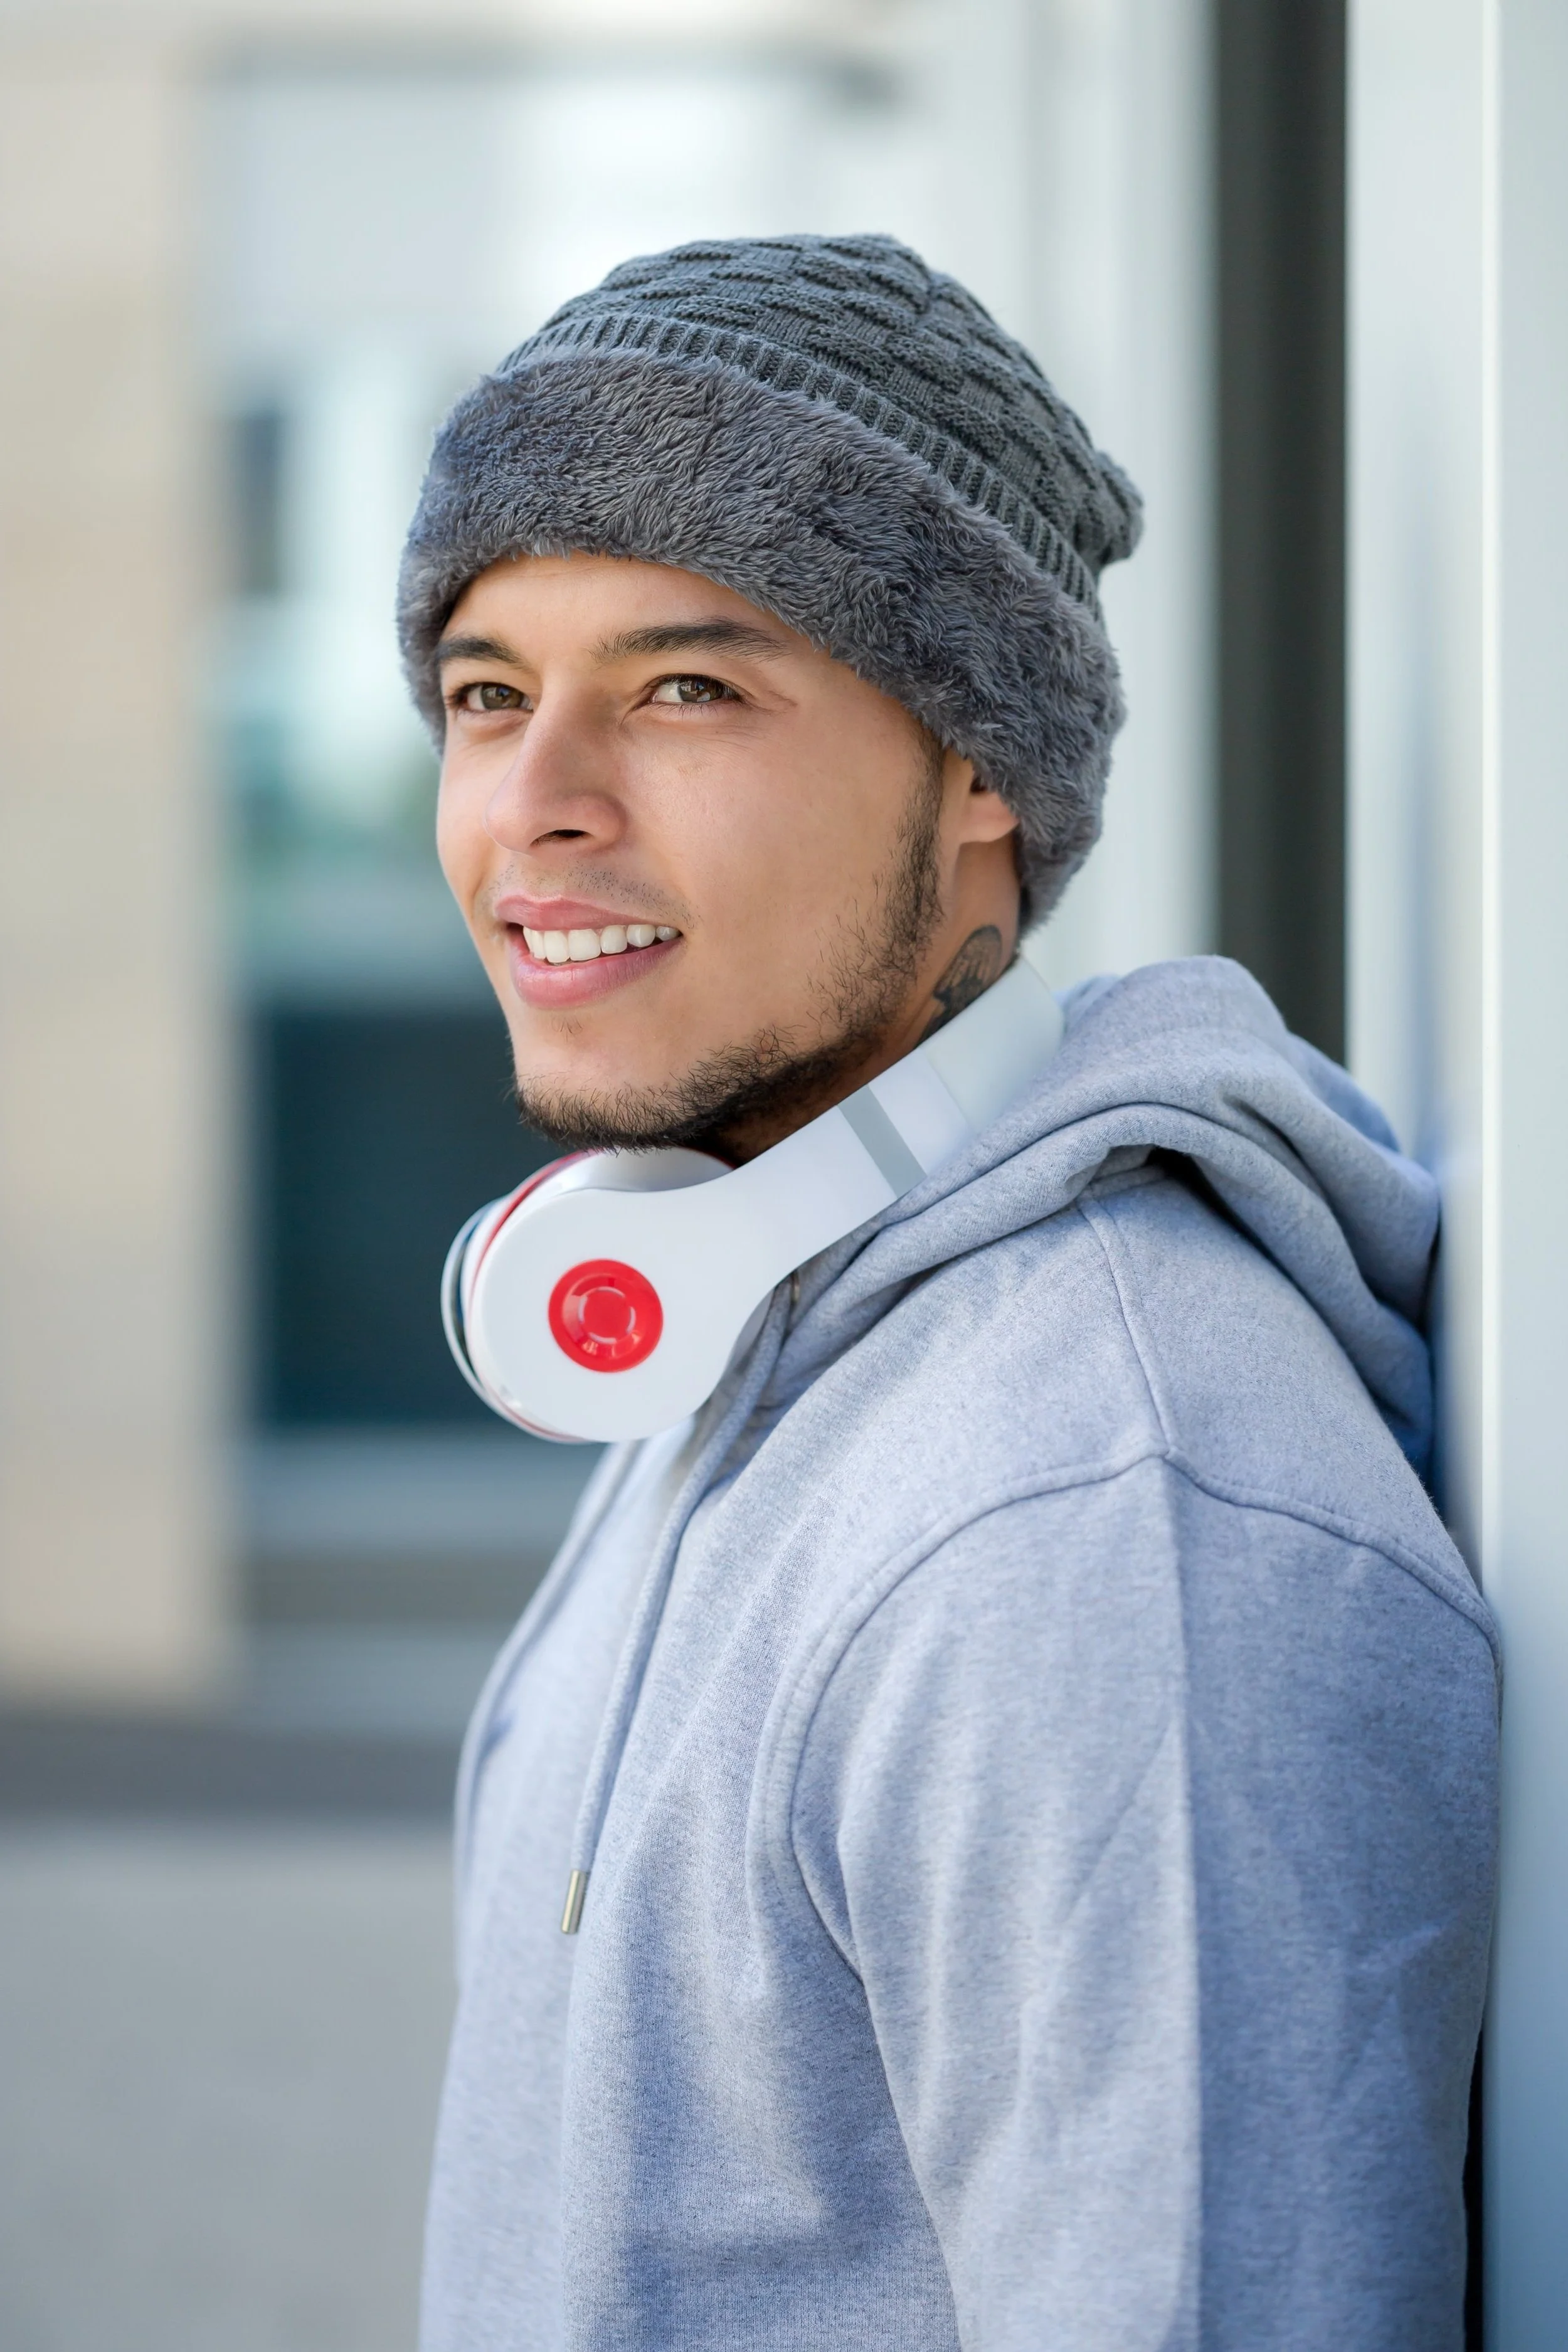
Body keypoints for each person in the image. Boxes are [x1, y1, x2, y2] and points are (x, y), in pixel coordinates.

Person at [398, 235, 1496, 2350]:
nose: (532, 804)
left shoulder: (1090, 1527)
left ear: (979, 763)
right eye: (486, 695)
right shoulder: (751, 1313)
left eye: (685, 686)